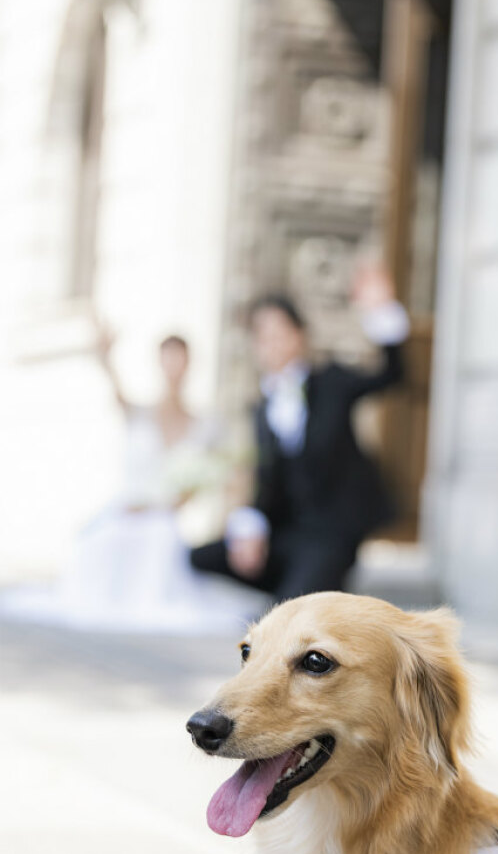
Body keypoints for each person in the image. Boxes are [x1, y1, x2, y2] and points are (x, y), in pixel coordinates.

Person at [2, 330, 255, 633]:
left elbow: (220, 473)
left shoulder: (204, 424)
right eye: (167, 359)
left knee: (160, 541)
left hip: (162, 519)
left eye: (179, 360)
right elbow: (118, 394)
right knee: (94, 544)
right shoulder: (140, 412)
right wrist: (105, 357)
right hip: (124, 512)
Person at [190, 265, 408, 601]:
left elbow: (391, 375)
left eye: (279, 332)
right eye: (262, 336)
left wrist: (380, 309)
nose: (272, 344)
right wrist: (250, 529)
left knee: (291, 615)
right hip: (287, 533)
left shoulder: (331, 382)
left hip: (332, 533)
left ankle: (313, 585)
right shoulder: (262, 408)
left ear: (299, 335)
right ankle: (299, 585)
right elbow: (268, 483)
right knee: (201, 556)